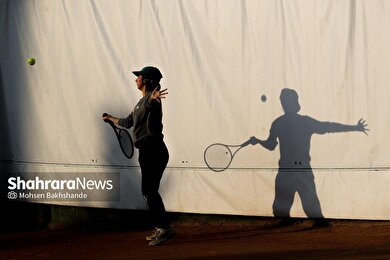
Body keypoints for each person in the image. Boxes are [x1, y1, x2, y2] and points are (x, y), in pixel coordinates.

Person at [250, 88, 368, 220]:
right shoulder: (297, 122)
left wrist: (258, 141)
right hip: (297, 170)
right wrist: (355, 128)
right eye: (283, 100)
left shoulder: (280, 123)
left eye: (285, 100)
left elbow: (271, 145)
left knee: (299, 210)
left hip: (290, 170)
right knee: (299, 210)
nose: (284, 103)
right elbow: (328, 127)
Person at [102, 66, 175, 246]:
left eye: (139, 77)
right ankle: (161, 227)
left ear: (147, 80)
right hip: (148, 151)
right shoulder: (139, 104)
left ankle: (165, 229)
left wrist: (153, 97)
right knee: (148, 192)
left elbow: (152, 101)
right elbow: (128, 122)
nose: (136, 79)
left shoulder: (152, 99)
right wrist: (110, 118)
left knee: (149, 191)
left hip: (154, 149)